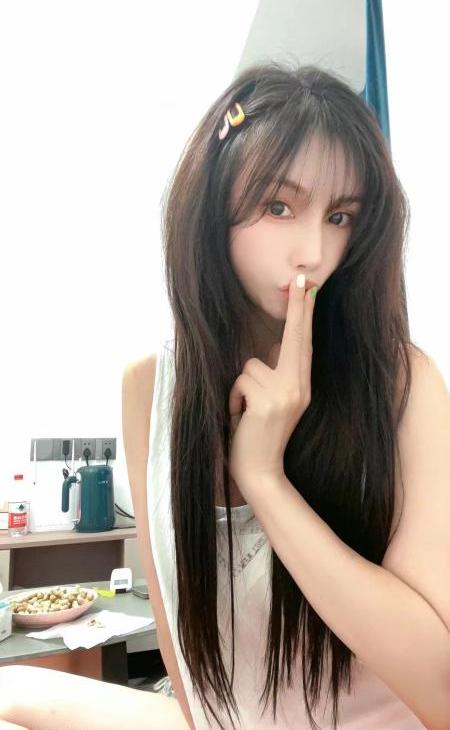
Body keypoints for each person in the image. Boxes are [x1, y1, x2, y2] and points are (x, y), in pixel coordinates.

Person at [1, 61, 449, 730]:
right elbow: (190, 667)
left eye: (340, 216)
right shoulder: (149, 389)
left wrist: (265, 480)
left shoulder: (401, 383)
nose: (313, 251)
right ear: (212, 208)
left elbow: (441, 690)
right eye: (279, 206)